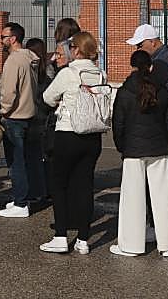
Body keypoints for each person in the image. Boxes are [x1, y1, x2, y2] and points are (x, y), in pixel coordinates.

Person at [40, 31, 107, 255]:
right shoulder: (101, 74)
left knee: (60, 184)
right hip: (93, 135)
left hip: (68, 132)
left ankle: (60, 236)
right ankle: (83, 239)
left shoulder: (68, 73)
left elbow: (48, 97)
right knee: (85, 186)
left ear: (77, 50)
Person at [110, 49, 168, 258]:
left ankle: (131, 245)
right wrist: (166, 143)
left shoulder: (124, 91)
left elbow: (118, 124)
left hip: (133, 149)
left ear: (131, 66)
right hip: (159, 148)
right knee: (163, 197)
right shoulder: (162, 90)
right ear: (151, 66)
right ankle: (167, 245)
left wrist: (122, 146)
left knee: (133, 198)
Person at [128, 23, 168, 214]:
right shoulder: (162, 59)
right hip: (163, 122)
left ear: (152, 42)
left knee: (164, 173)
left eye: (140, 45)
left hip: (163, 123)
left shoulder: (163, 63)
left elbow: (159, 95)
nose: (138, 50)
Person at [0, 21, 41, 219]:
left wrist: (3, 111)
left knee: (16, 162)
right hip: (29, 114)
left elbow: (8, 91)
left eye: (3, 37)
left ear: (13, 39)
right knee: (29, 159)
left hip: (15, 117)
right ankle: (27, 196)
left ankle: (20, 202)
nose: (1, 41)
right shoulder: (30, 59)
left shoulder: (13, 61)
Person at [26, 37, 54, 198]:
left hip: (33, 117)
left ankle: (36, 190)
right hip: (45, 118)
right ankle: (46, 189)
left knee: (32, 157)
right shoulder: (48, 70)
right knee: (45, 157)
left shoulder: (31, 70)